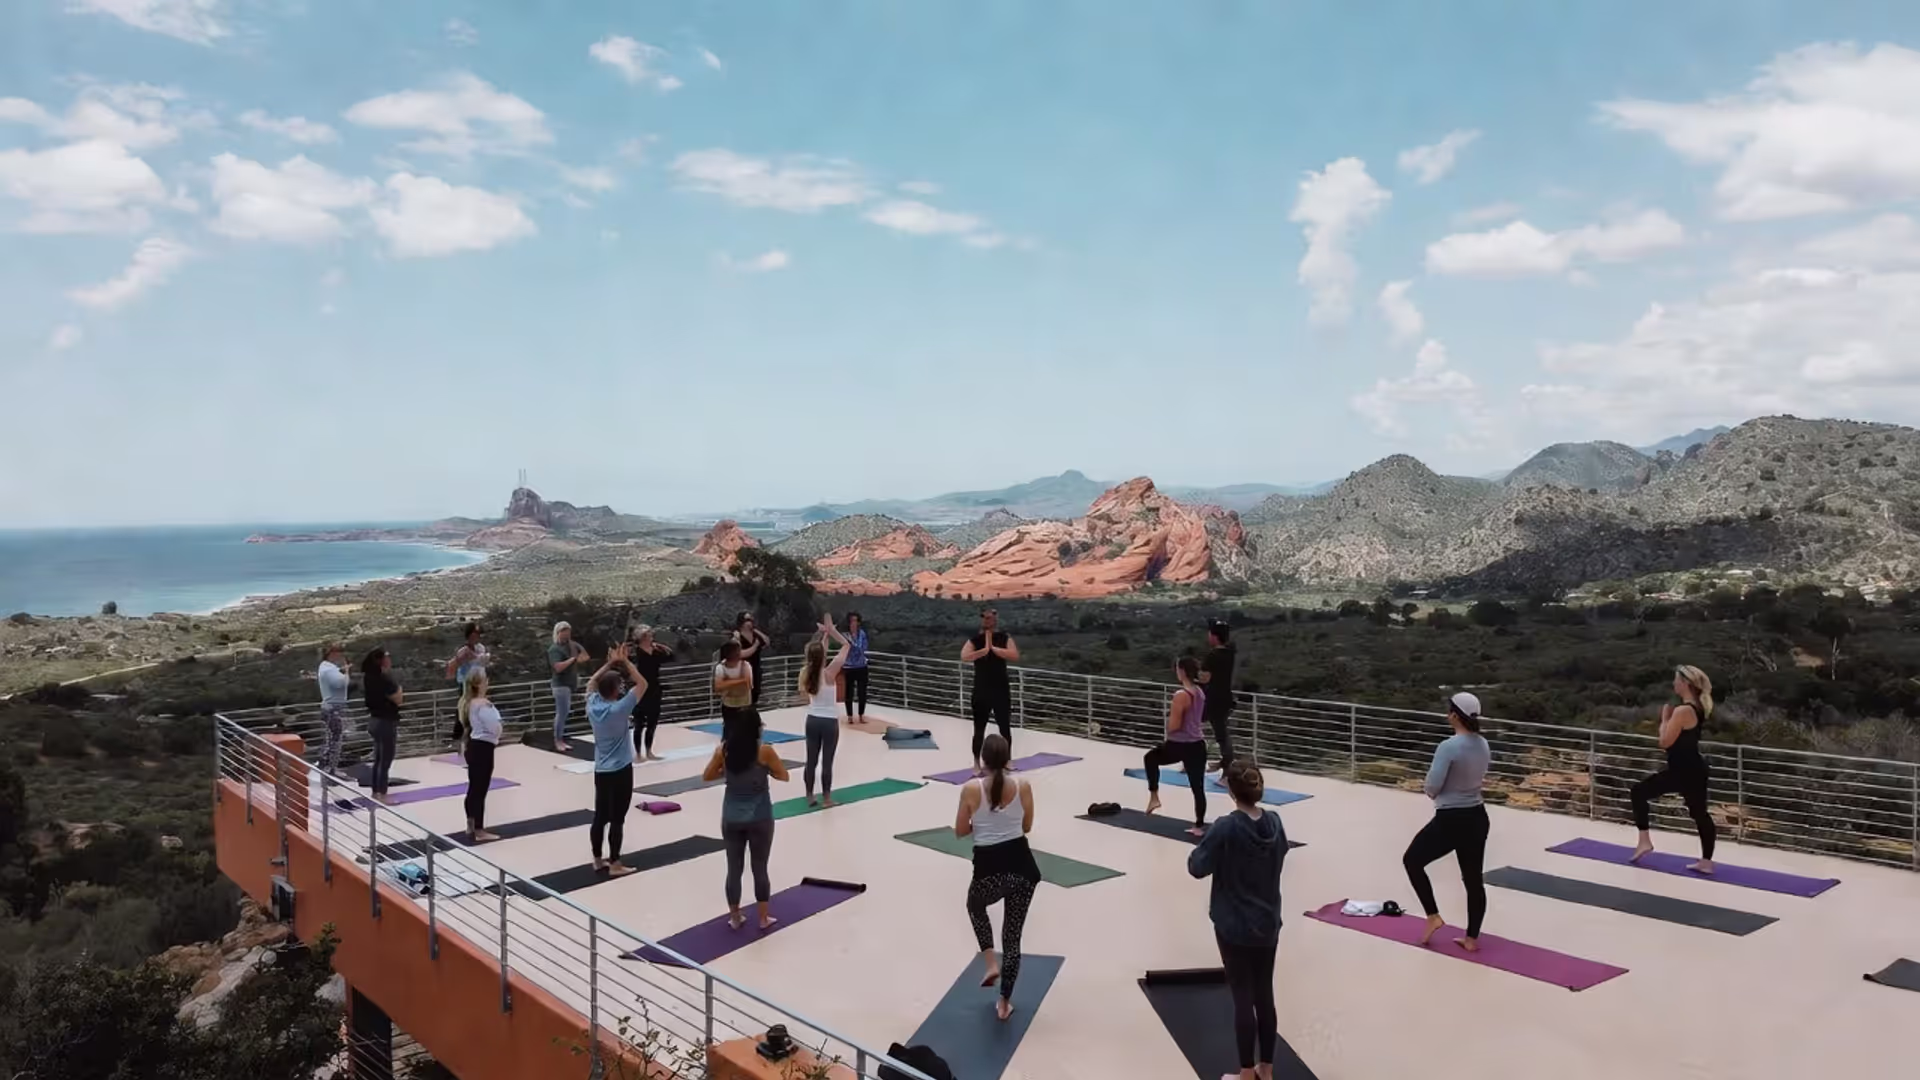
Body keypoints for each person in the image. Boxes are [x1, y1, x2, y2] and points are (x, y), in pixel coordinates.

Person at [1187, 759, 1288, 1080]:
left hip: (1234, 924)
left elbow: (1197, 867)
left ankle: (1246, 1072)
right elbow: (1281, 852)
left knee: (1242, 995)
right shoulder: (1275, 822)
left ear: (1230, 789)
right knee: (1264, 994)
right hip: (1269, 920)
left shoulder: (1227, 826)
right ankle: (1267, 1069)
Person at [955, 733, 1040, 1023]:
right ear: (1007, 760)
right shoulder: (1024, 786)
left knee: (975, 906)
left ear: (983, 760)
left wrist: (981, 823)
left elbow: (960, 830)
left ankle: (991, 963)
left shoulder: (970, 788)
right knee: (1012, 938)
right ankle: (1004, 1002)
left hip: (988, 869)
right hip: (1022, 869)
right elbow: (1026, 826)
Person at [1403, 692, 1492, 952]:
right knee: (1473, 879)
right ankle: (1472, 939)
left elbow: (1432, 787)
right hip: (1477, 816)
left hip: (1451, 819)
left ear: (1454, 715)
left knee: (1412, 861)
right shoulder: (1483, 744)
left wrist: (1433, 789)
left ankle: (1433, 915)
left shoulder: (1448, 746)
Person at [702, 709, 791, 930]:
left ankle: (735, 917)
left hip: (731, 818)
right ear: (757, 728)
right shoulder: (765, 752)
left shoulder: (724, 751)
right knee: (759, 867)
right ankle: (763, 918)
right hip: (760, 817)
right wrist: (765, 772)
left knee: (734, 868)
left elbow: (707, 776)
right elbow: (784, 775)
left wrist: (729, 772)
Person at [1630, 665, 1717, 874]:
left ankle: (1644, 842)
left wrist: (1665, 720)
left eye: (1676, 680)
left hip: (1682, 771)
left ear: (1685, 683)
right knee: (1700, 814)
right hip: (1694, 769)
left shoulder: (1683, 710)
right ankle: (1706, 862)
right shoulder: (1698, 706)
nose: (1673, 683)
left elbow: (1665, 742)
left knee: (1638, 792)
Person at [586, 645, 646, 877]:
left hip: (601, 770)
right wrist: (626, 663)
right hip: (620, 770)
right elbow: (643, 685)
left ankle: (596, 859)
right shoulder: (620, 708)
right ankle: (615, 862)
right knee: (617, 818)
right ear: (615, 691)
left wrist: (611, 664)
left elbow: (592, 682)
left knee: (600, 816)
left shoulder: (593, 704)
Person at [1143, 658, 1210, 836]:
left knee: (1150, 758)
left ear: (1182, 671)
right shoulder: (1199, 693)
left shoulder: (1181, 695)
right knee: (1198, 787)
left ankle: (1154, 797)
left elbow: (1174, 725)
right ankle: (1199, 826)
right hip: (1197, 744)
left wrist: (1168, 718)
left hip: (1178, 744)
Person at [960, 608, 1018, 774]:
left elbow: (1014, 655)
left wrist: (994, 648)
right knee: (979, 729)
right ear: (982, 619)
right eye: (985, 618)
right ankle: (976, 763)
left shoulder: (1004, 638)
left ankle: (1007, 759)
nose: (988, 620)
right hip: (981, 690)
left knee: (1004, 727)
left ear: (995, 619)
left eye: (991, 618)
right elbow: (964, 656)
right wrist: (983, 651)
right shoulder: (974, 640)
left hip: (1000, 689)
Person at [801, 618, 852, 807]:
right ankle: (827, 799)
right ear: (823, 656)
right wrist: (832, 632)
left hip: (812, 720)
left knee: (811, 760)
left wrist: (825, 634)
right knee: (827, 762)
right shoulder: (830, 672)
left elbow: (818, 654)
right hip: (829, 722)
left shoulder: (807, 673)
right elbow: (847, 645)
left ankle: (809, 796)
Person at [460, 669, 502, 842]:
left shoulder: (469, 703)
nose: (488, 682)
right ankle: (478, 829)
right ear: (479, 683)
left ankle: (471, 824)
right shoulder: (483, 704)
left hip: (474, 746)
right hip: (483, 747)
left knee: (474, 788)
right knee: (480, 789)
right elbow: (494, 726)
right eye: (485, 679)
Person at [360, 647, 403, 803]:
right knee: (385, 761)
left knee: (378, 759)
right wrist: (398, 688)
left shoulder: (368, 677)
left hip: (374, 720)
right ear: (381, 660)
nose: (390, 659)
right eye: (387, 657)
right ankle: (382, 795)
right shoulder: (384, 679)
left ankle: (376, 792)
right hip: (385, 722)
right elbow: (398, 699)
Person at [626, 625, 674, 761]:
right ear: (643, 638)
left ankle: (649, 751)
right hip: (640, 688)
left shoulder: (656, 651)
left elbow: (671, 656)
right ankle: (638, 754)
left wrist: (662, 647)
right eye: (649, 635)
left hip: (654, 688)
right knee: (639, 723)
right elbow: (626, 667)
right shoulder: (635, 652)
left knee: (652, 723)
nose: (652, 637)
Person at [1199, 621, 1238, 772]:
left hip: (1213, 699)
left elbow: (1205, 678)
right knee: (1221, 733)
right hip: (1225, 697)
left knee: (1192, 724)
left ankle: (1228, 771)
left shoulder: (1212, 655)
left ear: (1214, 636)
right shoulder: (1230, 653)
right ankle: (1225, 763)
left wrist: (1194, 673)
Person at [547, 621, 590, 749]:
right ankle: (558, 740)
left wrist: (579, 656)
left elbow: (585, 656)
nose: (566, 634)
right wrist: (572, 659)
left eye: (568, 631)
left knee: (565, 712)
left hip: (570, 683)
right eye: (564, 632)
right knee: (562, 712)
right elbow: (558, 668)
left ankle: (561, 738)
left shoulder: (572, 645)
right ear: (558, 633)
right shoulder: (554, 649)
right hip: (560, 684)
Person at [445, 623, 489, 745]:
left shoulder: (481, 648)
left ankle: (474, 737)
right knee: (464, 711)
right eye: (473, 635)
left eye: (477, 635)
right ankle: (457, 738)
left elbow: (482, 663)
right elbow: (455, 666)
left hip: (478, 684)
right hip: (466, 684)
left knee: (477, 711)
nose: (475, 637)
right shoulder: (463, 651)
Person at [316, 643, 351, 775]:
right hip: (333, 709)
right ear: (331, 654)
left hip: (329, 708)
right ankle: (331, 769)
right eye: (338, 652)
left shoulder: (325, 667)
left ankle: (326, 766)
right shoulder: (329, 669)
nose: (341, 655)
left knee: (330, 738)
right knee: (335, 740)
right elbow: (342, 683)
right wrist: (347, 671)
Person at [713, 640, 755, 729]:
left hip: (744, 706)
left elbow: (747, 684)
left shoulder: (745, 665)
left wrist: (727, 682)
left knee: (744, 731)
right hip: (728, 706)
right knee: (729, 731)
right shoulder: (720, 667)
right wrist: (740, 680)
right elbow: (718, 687)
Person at [732, 612, 770, 708]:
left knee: (755, 694)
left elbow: (767, 641)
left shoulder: (755, 635)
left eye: (751, 620)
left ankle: (752, 716)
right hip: (743, 671)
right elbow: (741, 654)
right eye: (747, 620)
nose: (750, 622)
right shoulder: (737, 637)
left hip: (756, 669)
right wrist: (755, 646)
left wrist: (756, 630)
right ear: (742, 622)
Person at [842, 612, 872, 724]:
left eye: (856, 621)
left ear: (859, 622)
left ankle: (861, 715)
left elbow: (864, 647)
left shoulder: (862, 634)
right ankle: (849, 716)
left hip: (861, 666)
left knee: (862, 692)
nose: (854, 623)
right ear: (849, 623)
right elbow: (846, 648)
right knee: (848, 692)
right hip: (849, 667)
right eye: (852, 621)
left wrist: (855, 647)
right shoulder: (845, 635)